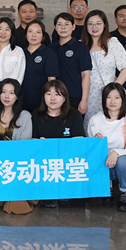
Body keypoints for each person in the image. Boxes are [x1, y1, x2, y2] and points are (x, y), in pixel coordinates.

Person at [86, 83, 126, 212]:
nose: (112, 101)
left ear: (123, 99)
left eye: (117, 97)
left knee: (122, 160)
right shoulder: (95, 120)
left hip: (125, 167)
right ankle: (107, 187)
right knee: (98, 159)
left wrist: (116, 152)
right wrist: (95, 141)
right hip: (103, 165)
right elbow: (91, 149)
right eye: (109, 97)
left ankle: (125, 192)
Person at [31, 80, 85, 208]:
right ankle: (49, 193)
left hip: (66, 159)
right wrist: (39, 144)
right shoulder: (35, 115)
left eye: (57, 94)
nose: (52, 98)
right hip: (45, 161)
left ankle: (65, 190)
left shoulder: (74, 115)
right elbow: (32, 142)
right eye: (48, 94)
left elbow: (78, 142)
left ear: (65, 98)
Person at [0, 78, 35, 214]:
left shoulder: (25, 116)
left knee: (17, 206)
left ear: (17, 96)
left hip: (17, 163)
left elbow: (24, 146)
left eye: (11, 93)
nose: (7, 96)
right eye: (3, 92)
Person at [82, 10, 126, 128]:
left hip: (109, 94)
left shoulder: (113, 43)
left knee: (111, 124)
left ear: (104, 25)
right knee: (91, 126)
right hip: (86, 95)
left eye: (98, 23)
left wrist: (114, 87)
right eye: (90, 24)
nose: (94, 27)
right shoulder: (80, 45)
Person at [51, 12, 92, 114]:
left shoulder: (81, 47)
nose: (63, 27)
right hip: (54, 96)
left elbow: (85, 75)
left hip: (75, 96)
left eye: (67, 24)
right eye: (59, 24)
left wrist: (84, 100)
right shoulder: (50, 48)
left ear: (73, 27)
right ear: (55, 28)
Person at [20, 21, 59, 112]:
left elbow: (51, 79)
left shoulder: (49, 53)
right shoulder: (21, 53)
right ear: (26, 35)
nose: (34, 35)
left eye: (38, 32)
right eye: (30, 31)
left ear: (43, 36)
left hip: (41, 101)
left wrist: (50, 98)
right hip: (21, 101)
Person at [0, 17, 26, 108]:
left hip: (12, 92)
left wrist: (10, 93)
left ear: (12, 32)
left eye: (7, 29)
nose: (3, 32)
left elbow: (19, 74)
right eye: (0, 29)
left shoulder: (18, 51)